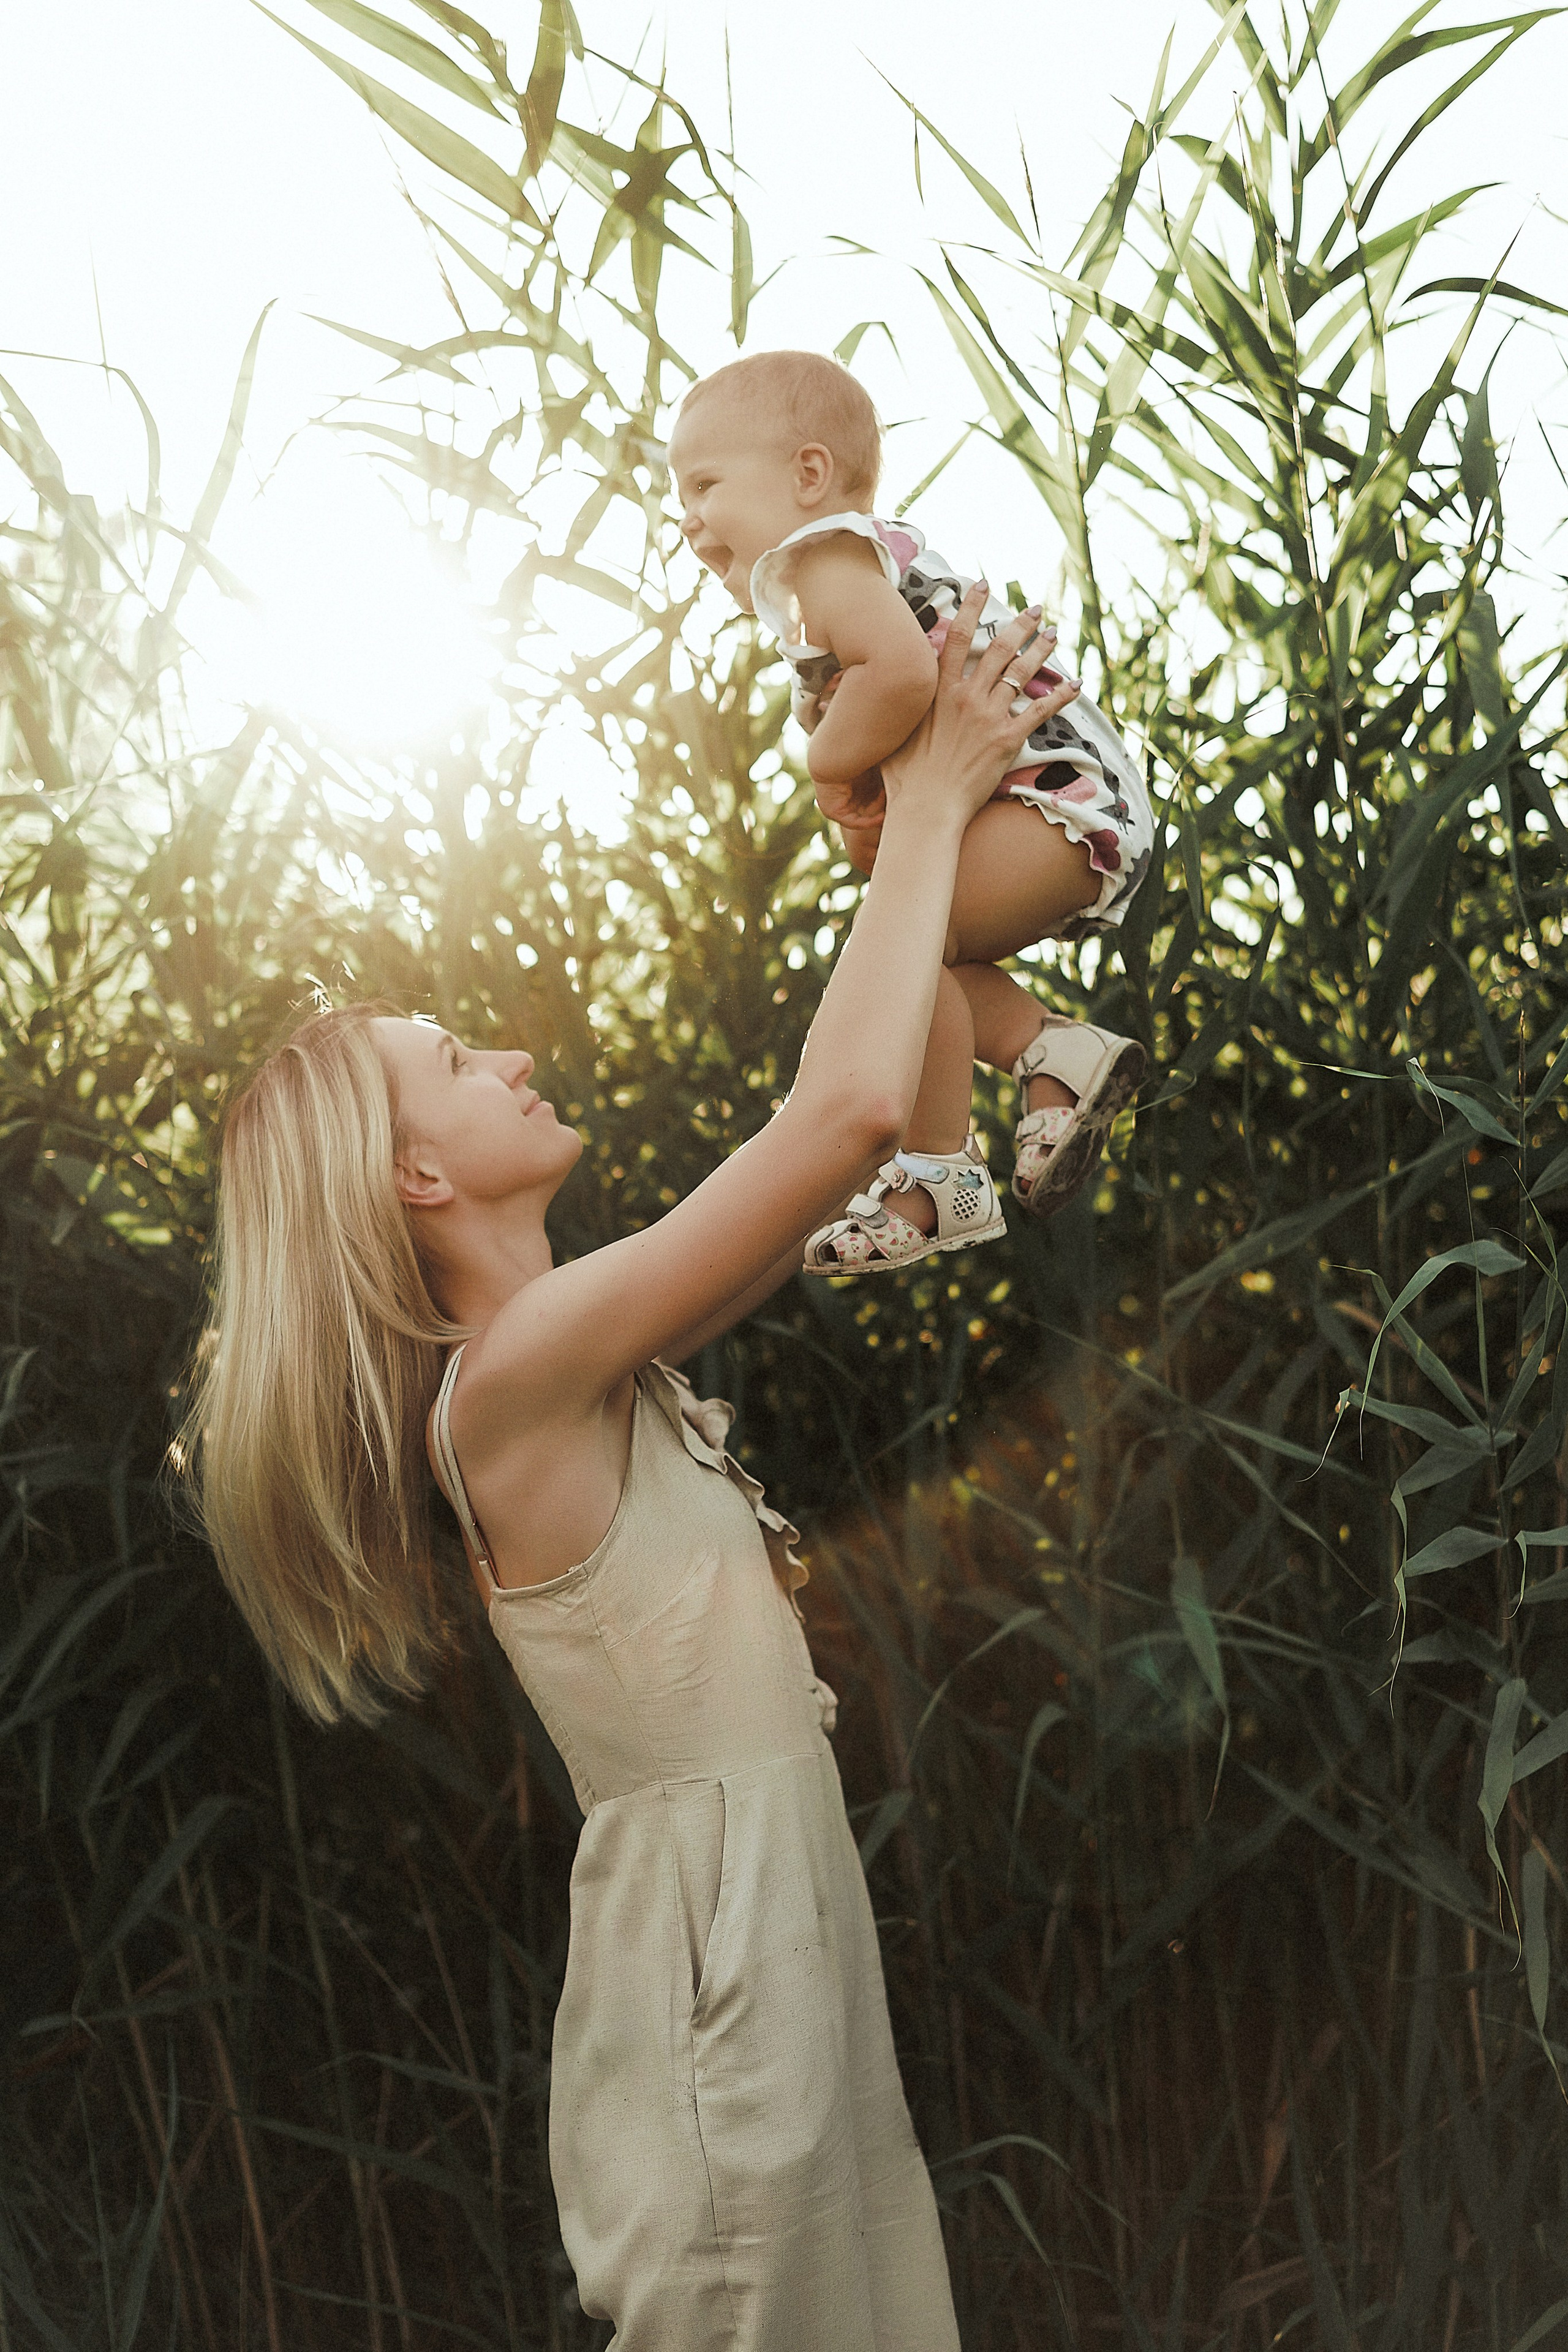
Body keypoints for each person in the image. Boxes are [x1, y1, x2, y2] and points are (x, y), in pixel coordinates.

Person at [184, 591, 1080, 2352]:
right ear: (416, 1185)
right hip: (716, 1992)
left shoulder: (605, 1361)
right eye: (456, 1065)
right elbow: (826, 1124)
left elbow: (885, 1147)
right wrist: (931, 794)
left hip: (772, 1952)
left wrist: (916, 861)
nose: (509, 1057)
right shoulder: (512, 1384)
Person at [666, 347, 1153, 1273]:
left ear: (809, 474)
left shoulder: (818, 560)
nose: (687, 520)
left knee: (904, 942)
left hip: (1048, 798)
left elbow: (901, 672)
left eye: (705, 484)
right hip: (1053, 799)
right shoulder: (846, 572)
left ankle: (940, 1173)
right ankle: (1054, 1052)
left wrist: (823, 759)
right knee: (910, 951)